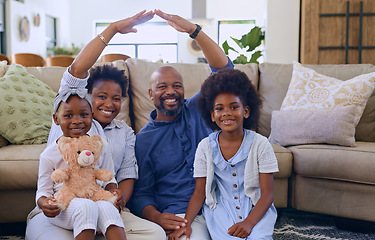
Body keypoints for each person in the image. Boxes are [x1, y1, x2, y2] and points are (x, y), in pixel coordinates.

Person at [29, 10, 165, 240]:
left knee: (156, 235)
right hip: (62, 210)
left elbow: (126, 174)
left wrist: (118, 199)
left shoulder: (124, 132)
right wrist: (112, 29)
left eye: (116, 98)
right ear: (86, 95)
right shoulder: (69, 118)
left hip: (103, 207)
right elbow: (77, 71)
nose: (109, 104)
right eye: (101, 96)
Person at [129, 9, 234, 240]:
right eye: (162, 87)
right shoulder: (143, 140)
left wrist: (194, 31)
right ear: (150, 93)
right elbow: (141, 193)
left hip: (219, 205)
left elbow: (225, 72)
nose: (170, 92)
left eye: (177, 85)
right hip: (178, 213)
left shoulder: (197, 108)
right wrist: (156, 217)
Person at [168, 69, 278, 240]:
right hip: (221, 209)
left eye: (234, 107)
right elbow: (199, 192)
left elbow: (267, 194)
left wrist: (249, 222)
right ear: (212, 115)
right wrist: (187, 223)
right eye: (220, 109)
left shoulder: (260, 144)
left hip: (255, 207)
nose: (226, 113)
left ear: (246, 111)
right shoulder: (205, 147)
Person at [29, 84, 126, 240]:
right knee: (85, 206)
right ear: (56, 119)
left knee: (107, 206)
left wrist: (114, 191)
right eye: (68, 116)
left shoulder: (100, 146)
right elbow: (43, 193)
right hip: (64, 207)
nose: (77, 121)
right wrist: (45, 203)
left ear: (92, 115)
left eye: (83, 115)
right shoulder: (49, 154)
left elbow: (110, 179)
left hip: (93, 199)